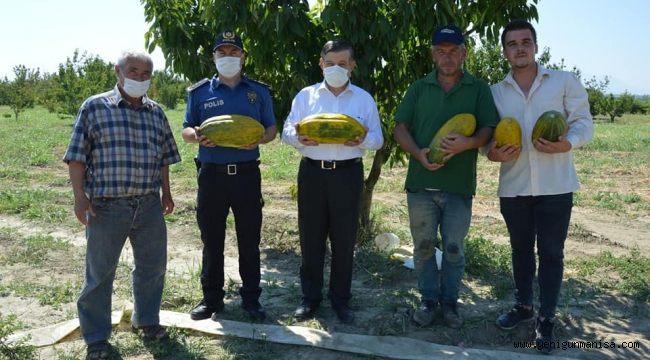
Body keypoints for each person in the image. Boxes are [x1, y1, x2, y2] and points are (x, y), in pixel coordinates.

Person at [63, 50, 181, 360]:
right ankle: (97, 337)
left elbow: (165, 159)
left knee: (152, 267)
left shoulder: (156, 113)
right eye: (133, 71)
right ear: (118, 71)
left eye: (145, 74)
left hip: (148, 205)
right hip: (106, 206)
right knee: (100, 273)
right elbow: (76, 157)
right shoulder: (94, 107)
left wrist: (165, 194)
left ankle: (147, 321)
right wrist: (79, 198)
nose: (139, 78)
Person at [488, 20, 593, 354]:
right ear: (504, 51)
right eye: (512, 44)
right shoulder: (495, 92)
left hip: (556, 186)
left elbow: (583, 122)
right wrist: (491, 152)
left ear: (536, 46)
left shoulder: (563, 81)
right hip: (515, 185)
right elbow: (488, 137)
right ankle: (523, 306)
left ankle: (546, 318)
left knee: (551, 253)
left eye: (525, 42)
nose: (520, 48)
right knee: (520, 250)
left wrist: (568, 144)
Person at [392, 25, 498, 329]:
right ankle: (427, 300)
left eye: (453, 51)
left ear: (464, 53)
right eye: (441, 51)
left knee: (454, 248)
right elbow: (400, 127)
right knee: (423, 246)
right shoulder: (418, 88)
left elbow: (488, 128)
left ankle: (450, 303)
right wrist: (418, 153)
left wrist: (470, 143)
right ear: (433, 54)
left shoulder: (478, 88)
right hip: (420, 184)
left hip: (459, 186)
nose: (447, 57)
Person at [282, 39, 383, 324]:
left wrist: (364, 138)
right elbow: (287, 130)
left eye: (342, 63)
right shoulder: (306, 96)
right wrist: (296, 137)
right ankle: (310, 298)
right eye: (330, 63)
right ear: (321, 63)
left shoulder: (363, 99)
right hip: (312, 173)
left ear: (352, 66)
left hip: (348, 175)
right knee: (310, 238)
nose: (336, 68)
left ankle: (341, 300)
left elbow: (378, 139)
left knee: (344, 240)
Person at [183, 30, 277, 322]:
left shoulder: (258, 91)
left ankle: (251, 300)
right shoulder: (199, 92)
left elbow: (271, 128)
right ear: (214, 57)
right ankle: (211, 299)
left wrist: (260, 139)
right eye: (221, 53)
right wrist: (197, 136)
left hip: (247, 175)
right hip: (211, 176)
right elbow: (186, 128)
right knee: (212, 240)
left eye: (233, 52)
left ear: (243, 57)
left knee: (249, 239)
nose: (228, 57)